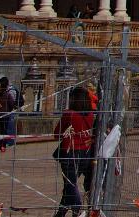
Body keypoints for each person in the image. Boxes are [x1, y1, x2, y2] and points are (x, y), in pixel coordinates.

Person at [50, 85, 95, 217]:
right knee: (70, 185)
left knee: (70, 185)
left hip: (70, 153)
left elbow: (57, 134)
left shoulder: (69, 114)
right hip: (86, 153)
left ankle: (76, 209)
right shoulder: (91, 115)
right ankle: (61, 212)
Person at [0, 75, 19, 151]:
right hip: (0, 116)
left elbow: (11, 105)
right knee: (0, 131)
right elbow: (11, 105)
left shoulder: (3, 95)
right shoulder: (0, 95)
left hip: (1, 116)